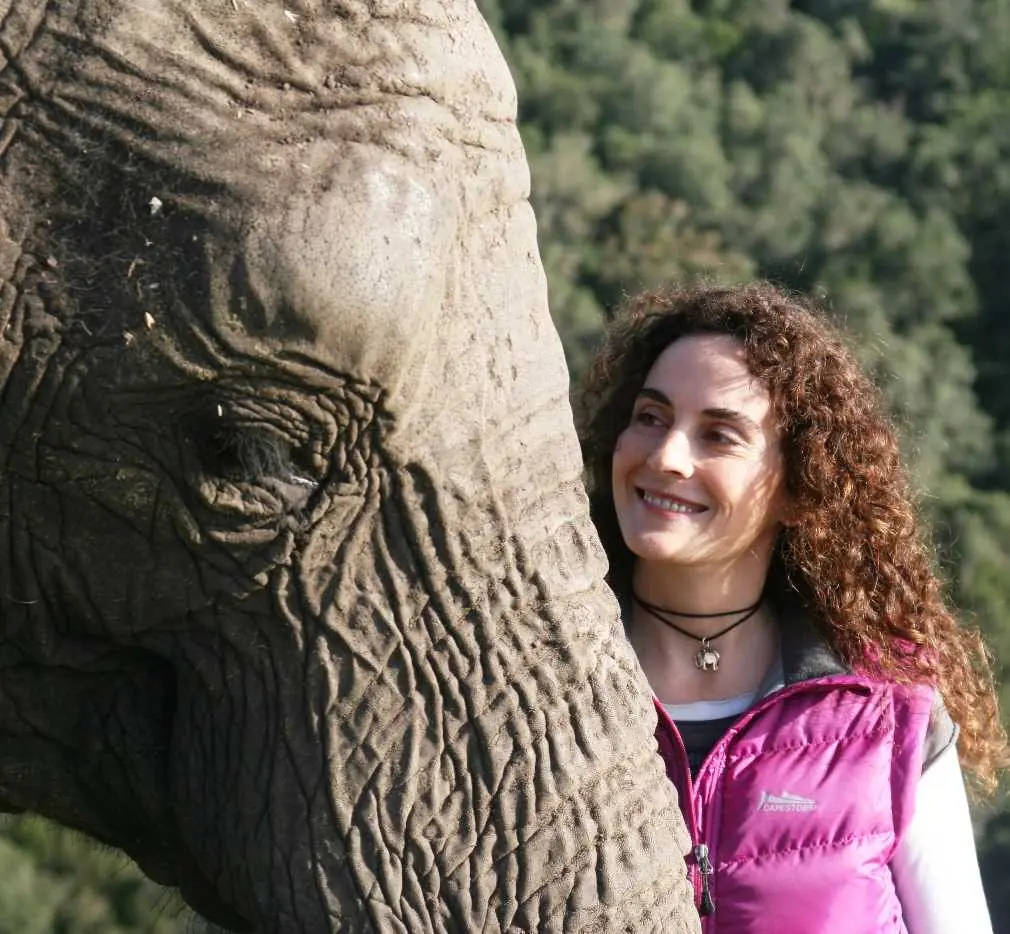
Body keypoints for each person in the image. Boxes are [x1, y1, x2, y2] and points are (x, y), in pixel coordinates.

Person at [577, 281, 1007, 933]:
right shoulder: (542, 688)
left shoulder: (889, 708)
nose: (665, 456)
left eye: (719, 435)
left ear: (801, 486)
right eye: (650, 417)